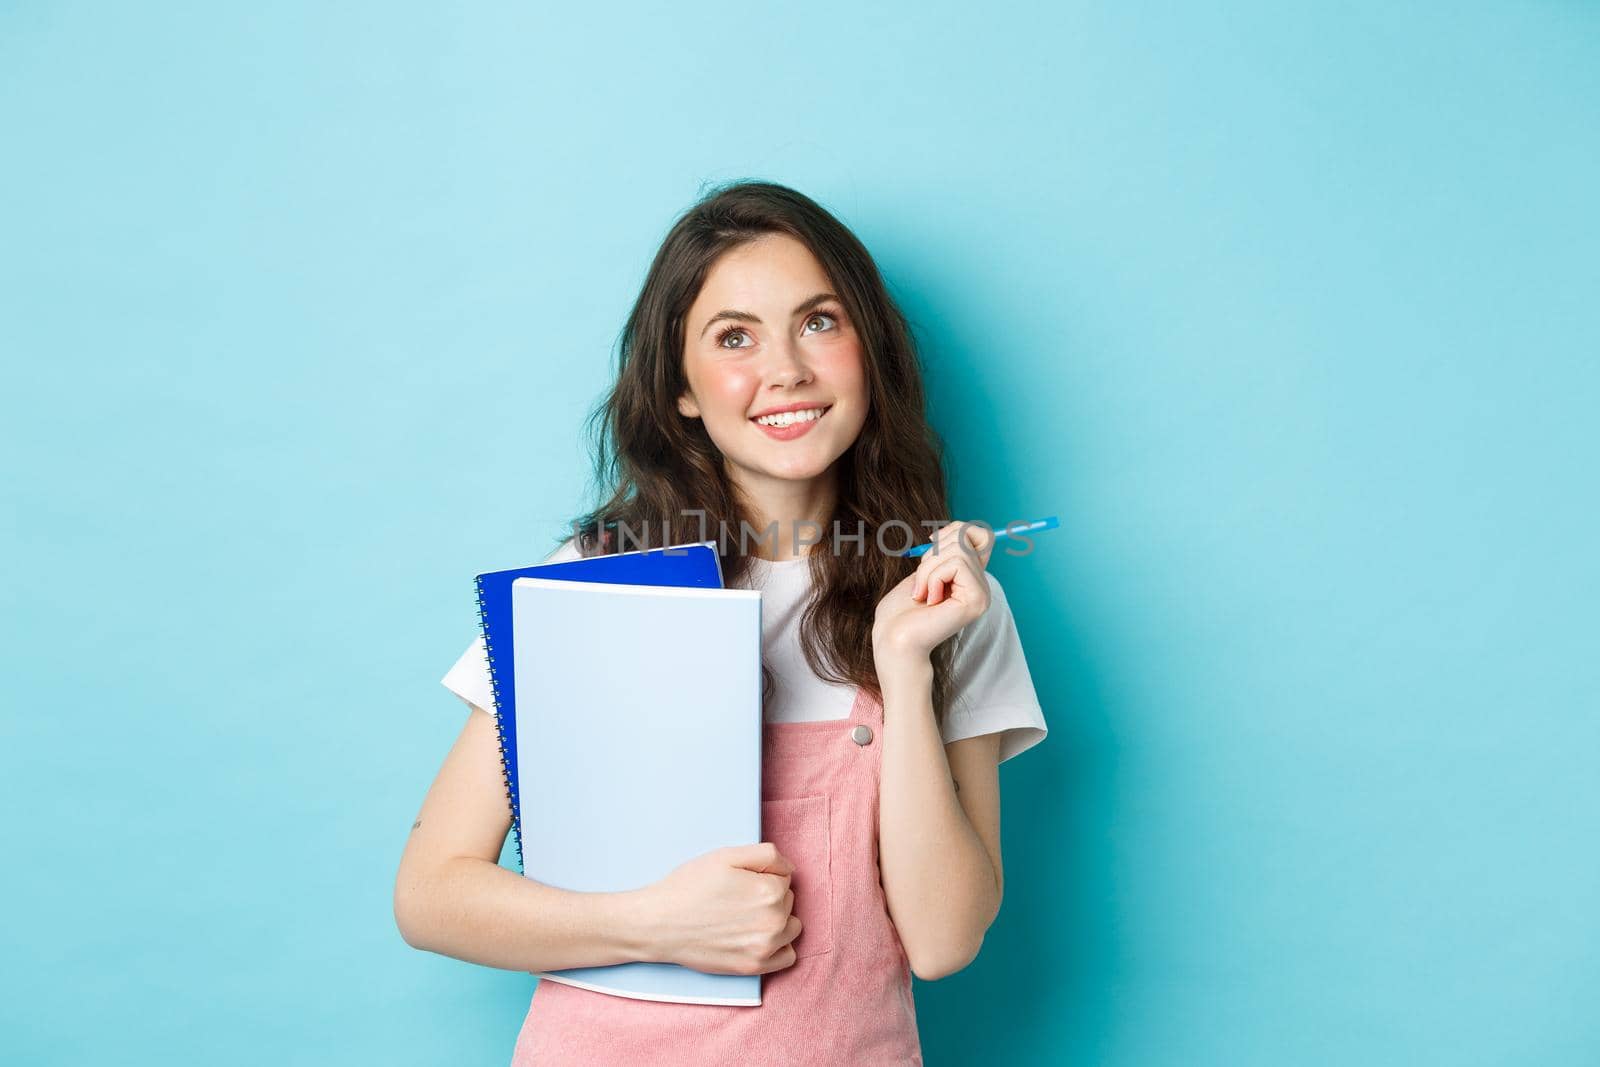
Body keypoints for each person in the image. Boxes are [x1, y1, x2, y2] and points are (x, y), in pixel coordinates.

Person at [393, 180, 1048, 1065]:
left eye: (819, 321)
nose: (786, 369)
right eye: (734, 336)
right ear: (681, 393)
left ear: (870, 352)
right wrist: (653, 923)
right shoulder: (592, 583)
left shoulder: (947, 601)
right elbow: (431, 894)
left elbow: (942, 941)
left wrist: (902, 665)